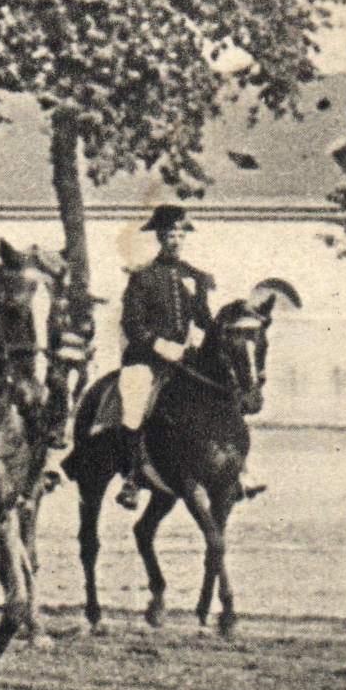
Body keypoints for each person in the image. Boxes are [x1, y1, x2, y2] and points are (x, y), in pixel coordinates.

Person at [114, 204, 250, 509]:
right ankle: (133, 477)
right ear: (159, 238)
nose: (175, 240)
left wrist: (216, 331)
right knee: (135, 401)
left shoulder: (194, 276)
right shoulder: (143, 276)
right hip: (147, 359)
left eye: (179, 234)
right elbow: (132, 323)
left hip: (184, 360)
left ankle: (239, 469)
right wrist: (160, 345)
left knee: (223, 390)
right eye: (169, 235)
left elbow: (203, 319)